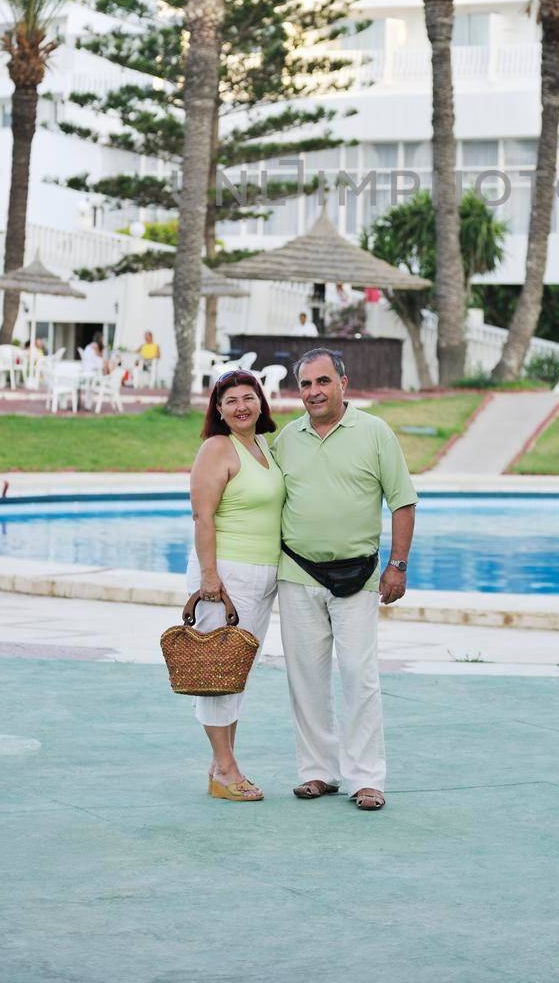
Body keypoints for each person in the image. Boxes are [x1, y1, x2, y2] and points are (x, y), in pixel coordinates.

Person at [271, 347, 416, 812]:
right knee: (305, 679)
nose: (313, 392)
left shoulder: (374, 432)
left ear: (343, 384)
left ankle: (366, 779)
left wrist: (399, 564)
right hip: (298, 572)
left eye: (322, 382)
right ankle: (317, 772)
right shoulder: (286, 439)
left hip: (361, 574)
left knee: (359, 676)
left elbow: (403, 501)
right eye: (306, 385)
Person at [186, 369, 284, 802]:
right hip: (225, 576)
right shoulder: (216, 448)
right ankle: (226, 769)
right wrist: (210, 578)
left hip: (262, 576)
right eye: (231, 401)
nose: (241, 406)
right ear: (219, 411)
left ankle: (220, 764)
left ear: (260, 402)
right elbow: (202, 517)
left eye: (249, 397)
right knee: (216, 673)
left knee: (235, 673)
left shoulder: (263, 446)